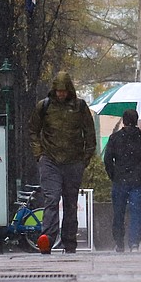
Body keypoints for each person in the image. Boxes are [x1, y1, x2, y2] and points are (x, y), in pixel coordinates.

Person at [28, 71, 96, 254]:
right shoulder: (44, 106)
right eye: (58, 91)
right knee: (52, 198)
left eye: (64, 91)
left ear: (69, 90)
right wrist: (40, 155)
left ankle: (69, 241)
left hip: (74, 161)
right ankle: (47, 240)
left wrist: (84, 159)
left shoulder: (80, 107)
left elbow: (90, 133)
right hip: (50, 160)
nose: (61, 94)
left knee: (70, 202)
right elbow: (33, 131)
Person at [102, 109, 141, 252]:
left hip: (119, 180)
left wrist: (113, 175)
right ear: (137, 121)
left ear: (124, 121)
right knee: (136, 213)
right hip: (137, 181)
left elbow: (108, 160)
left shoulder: (115, 138)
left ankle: (119, 242)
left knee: (118, 213)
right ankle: (134, 243)